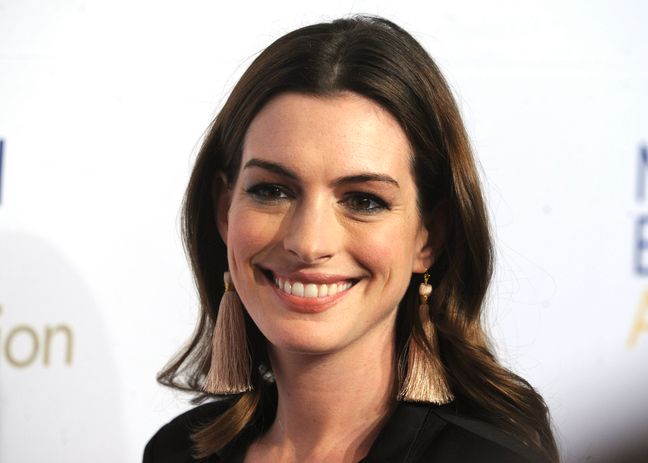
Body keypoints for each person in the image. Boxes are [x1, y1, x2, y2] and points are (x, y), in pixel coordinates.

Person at [144, 15, 559, 463]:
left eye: (363, 201)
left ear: (429, 236)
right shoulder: (177, 452)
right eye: (272, 191)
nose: (308, 242)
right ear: (225, 211)